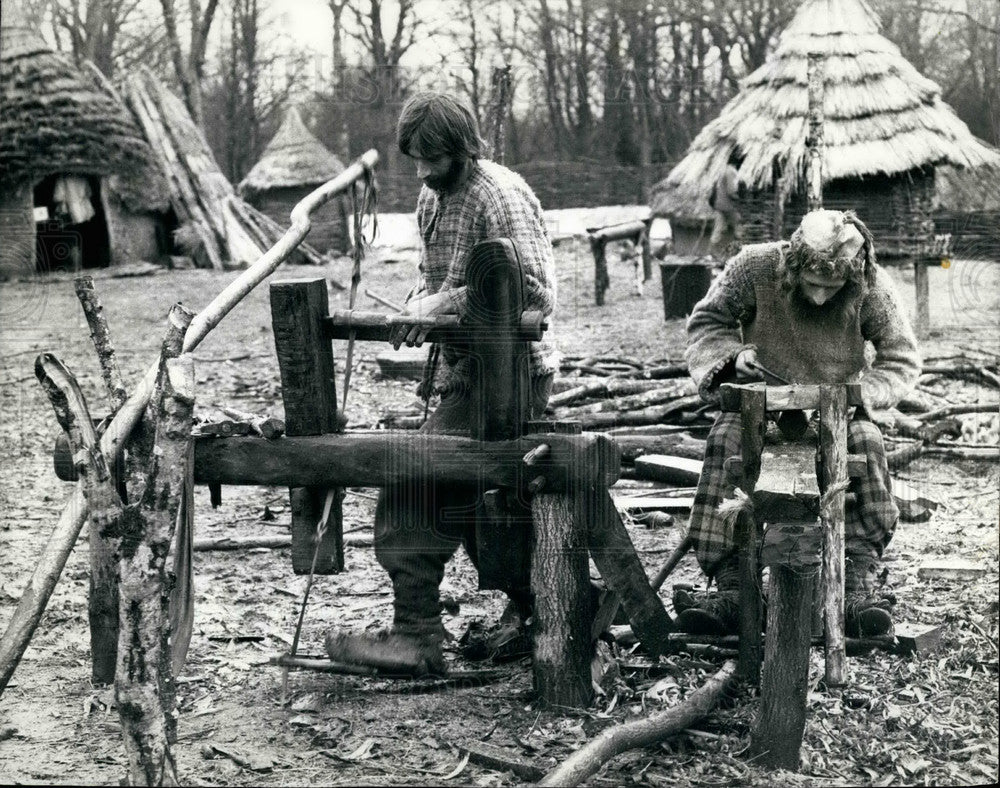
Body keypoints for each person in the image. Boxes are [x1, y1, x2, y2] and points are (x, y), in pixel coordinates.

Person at [326, 91, 558, 675]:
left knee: (413, 475)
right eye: (416, 158)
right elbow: (434, 280)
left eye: (435, 157)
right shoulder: (433, 200)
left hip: (511, 377)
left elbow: (534, 295)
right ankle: (530, 612)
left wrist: (438, 307)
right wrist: (415, 311)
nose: (424, 171)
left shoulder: (497, 198)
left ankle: (418, 636)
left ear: (463, 145)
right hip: (465, 374)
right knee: (466, 493)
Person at [677, 209, 920, 638]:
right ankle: (732, 589)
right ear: (793, 264)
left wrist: (862, 394)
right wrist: (732, 357)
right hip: (759, 412)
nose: (823, 297)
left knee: (868, 442)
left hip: (835, 416)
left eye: (833, 288)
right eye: (812, 284)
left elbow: (900, 356)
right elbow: (707, 321)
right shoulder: (754, 266)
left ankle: (855, 585)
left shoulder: (869, 284)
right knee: (723, 440)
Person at [709, 153, 743, 258]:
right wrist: (740, 199)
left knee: (718, 229)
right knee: (739, 226)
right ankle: (739, 251)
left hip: (719, 204)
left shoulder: (723, 170)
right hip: (728, 205)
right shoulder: (731, 172)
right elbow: (731, 191)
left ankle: (713, 252)